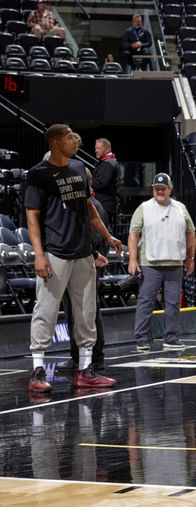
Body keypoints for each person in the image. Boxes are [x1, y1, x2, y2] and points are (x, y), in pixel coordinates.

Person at [25, 124, 121, 395]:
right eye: (69, 136)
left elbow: (89, 208)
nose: (75, 140)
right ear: (56, 142)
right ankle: (38, 369)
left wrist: (108, 236)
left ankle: (86, 370)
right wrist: (39, 255)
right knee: (46, 310)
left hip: (83, 253)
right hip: (55, 251)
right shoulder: (38, 174)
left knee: (86, 312)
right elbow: (32, 217)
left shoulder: (79, 168)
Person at [128, 173, 196, 352]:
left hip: (175, 261)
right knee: (146, 301)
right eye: (156, 188)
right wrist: (133, 259)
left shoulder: (180, 208)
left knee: (173, 303)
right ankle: (142, 338)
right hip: (150, 262)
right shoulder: (144, 208)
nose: (159, 191)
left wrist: (190, 258)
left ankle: (171, 338)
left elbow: (191, 233)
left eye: (163, 188)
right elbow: (133, 234)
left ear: (170, 189)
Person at [60, 189, 111, 372]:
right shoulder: (84, 204)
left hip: (87, 263)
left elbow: (95, 239)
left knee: (88, 312)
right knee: (75, 312)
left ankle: (94, 357)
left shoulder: (93, 206)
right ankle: (79, 356)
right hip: (77, 263)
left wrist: (93, 256)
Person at [92, 138, 119, 235]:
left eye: (98, 148)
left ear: (107, 149)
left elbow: (101, 183)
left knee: (102, 232)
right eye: (95, 148)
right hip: (104, 202)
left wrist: (86, 183)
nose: (96, 150)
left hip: (104, 203)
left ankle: (103, 250)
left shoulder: (108, 163)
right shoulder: (108, 162)